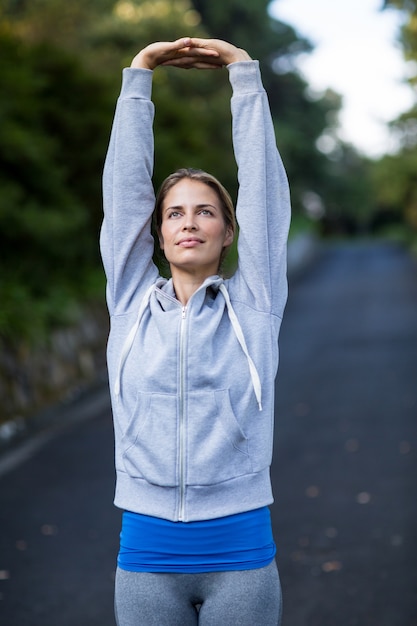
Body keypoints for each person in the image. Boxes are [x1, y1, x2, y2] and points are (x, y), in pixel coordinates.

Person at [100, 37, 291, 626]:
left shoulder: (255, 302)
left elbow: (262, 193)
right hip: (147, 553)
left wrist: (242, 74)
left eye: (205, 211)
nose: (189, 222)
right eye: (174, 213)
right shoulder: (130, 302)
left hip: (240, 552)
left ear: (229, 231)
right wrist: (139, 76)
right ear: (157, 233)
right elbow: (124, 197)